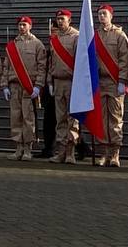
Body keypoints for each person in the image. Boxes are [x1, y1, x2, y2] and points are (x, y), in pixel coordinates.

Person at [1, 16, 46, 162]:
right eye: (20, 25)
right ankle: (18, 148)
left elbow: (42, 67)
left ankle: (28, 148)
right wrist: (4, 85)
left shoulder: (37, 44)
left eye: (24, 24)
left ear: (30, 26)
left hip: (29, 87)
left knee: (28, 118)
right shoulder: (12, 45)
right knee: (16, 117)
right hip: (14, 86)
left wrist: (38, 86)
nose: (21, 27)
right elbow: (6, 66)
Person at [93, 5, 128, 167]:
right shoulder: (94, 36)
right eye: (100, 14)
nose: (102, 17)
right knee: (101, 119)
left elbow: (125, 60)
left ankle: (115, 153)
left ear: (111, 16)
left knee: (115, 119)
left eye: (104, 14)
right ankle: (105, 152)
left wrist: (123, 80)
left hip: (114, 82)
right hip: (100, 82)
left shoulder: (120, 35)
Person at [47, 9, 80, 164]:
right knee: (60, 119)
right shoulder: (55, 38)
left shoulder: (77, 36)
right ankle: (61, 152)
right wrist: (50, 81)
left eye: (62, 19)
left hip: (72, 81)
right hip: (58, 82)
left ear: (69, 20)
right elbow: (51, 62)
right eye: (58, 19)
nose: (60, 21)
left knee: (72, 118)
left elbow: (80, 61)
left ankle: (70, 152)